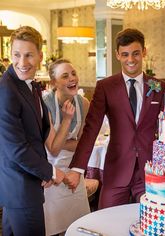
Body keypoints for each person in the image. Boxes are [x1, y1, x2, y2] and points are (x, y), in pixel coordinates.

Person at [65, 28, 165, 209]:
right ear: (117, 55)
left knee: (152, 221)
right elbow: (91, 129)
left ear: (144, 52)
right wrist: (77, 168)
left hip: (150, 169)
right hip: (117, 168)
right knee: (106, 219)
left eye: (136, 53)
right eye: (125, 54)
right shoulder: (105, 87)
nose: (131, 60)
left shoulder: (159, 87)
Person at [0, 26, 65, 236]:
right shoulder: (6, 90)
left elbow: (38, 132)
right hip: (20, 187)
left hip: (22, 185)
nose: (22, 62)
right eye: (17, 55)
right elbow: (16, 149)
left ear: (40, 55)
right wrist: (50, 172)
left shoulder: (30, 86)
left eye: (29, 55)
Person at [43, 59, 90, 235]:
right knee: (52, 227)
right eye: (65, 76)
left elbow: (85, 143)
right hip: (51, 173)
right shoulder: (44, 104)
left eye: (73, 73)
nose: (72, 78)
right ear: (54, 83)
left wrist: (63, 143)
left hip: (74, 171)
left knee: (76, 226)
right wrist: (67, 119)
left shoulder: (83, 103)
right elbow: (53, 150)